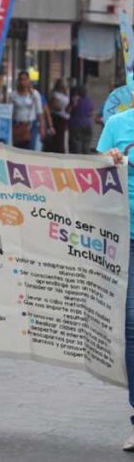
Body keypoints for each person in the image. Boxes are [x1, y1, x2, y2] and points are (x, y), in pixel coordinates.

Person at [98, 115, 134, 452]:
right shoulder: (118, 123)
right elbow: (94, 175)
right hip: (127, 235)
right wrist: (107, 162)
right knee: (133, 326)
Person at [9, 71, 48, 150]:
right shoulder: (13, 95)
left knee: (30, 149)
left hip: (31, 126)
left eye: (25, 79)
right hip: (17, 125)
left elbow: (40, 112)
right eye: (21, 79)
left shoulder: (34, 94)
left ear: (28, 80)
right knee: (17, 149)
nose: (23, 82)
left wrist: (42, 127)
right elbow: (10, 111)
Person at [68, 85, 94, 154]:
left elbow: (68, 110)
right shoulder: (89, 101)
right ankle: (86, 158)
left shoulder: (75, 100)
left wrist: (74, 103)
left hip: (76, 124)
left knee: (77, 144)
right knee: (86, 144)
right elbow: (91, 112)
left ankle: (79, 159)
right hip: (88, 124)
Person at [44, 79, 69, 153]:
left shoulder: (65, 94)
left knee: (62, 136)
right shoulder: (55, 94)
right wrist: (60, 108)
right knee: (57, 136)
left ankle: (60, 149)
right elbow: (52, 105)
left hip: (64, 117)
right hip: (57, 117)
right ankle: (56, 150)